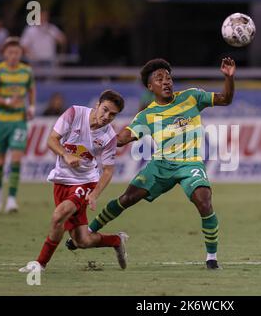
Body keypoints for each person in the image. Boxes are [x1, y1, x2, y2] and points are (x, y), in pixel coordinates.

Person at [66, 57, 236, 269]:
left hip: (189, 164)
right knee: (126, 199)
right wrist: (92, 135)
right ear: (150, 86)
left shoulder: (192, 97)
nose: (166, 81)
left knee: (204, 201)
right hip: (161, 165)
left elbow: (225, 99)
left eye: (168, 77)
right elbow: (121, 139)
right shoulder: (147, 115)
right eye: (159, 78)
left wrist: (229, 78)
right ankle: (89, 231)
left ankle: (212, 258)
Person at [19, 90, 128, 273]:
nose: (107, 116)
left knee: (58, 215)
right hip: (61, 180)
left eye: (113, 115)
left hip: (84, 182)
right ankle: (116, 240)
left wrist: (94, 193)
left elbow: (108, 170)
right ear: (97, 105)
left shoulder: (109, 137)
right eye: (105, 110)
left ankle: (40, 264)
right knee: (82, 241)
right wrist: (66, 154)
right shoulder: (74, 113)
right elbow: (52, 140)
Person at [0, 37, 36, 213]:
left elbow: (31, 89)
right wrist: (7, 100)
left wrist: (31, 106)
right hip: (1, 120)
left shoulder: (26, 71)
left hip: (19, 120)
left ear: (21, 53)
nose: (14, 55)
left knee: (16, 158)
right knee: (0, 160)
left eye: (17, 52)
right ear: (4, 54)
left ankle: (12, 199)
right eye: (10, 52)